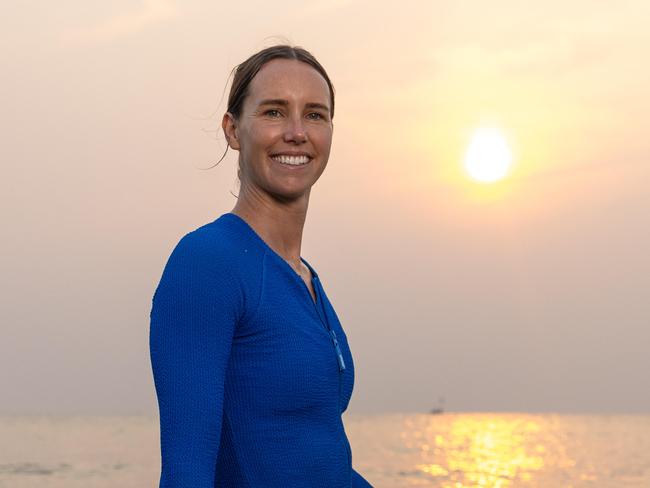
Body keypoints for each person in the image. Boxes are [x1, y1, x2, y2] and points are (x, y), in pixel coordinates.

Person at [149, 44, 373, 487]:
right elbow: (186, 470)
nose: (296, 132)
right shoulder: (208, 263)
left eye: (314, 114)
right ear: (234, 130)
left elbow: (317, 458)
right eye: (274, 112)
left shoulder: (306, 277)